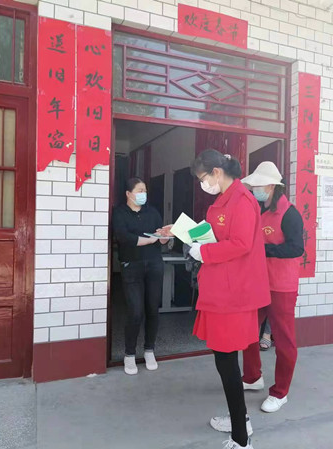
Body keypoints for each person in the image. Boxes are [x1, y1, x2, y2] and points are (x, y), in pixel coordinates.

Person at [159, 150, 270, 449]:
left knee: (226, 360)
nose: (202, 184)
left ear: (217, 172)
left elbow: (241, 244)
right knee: (224, 359)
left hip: (232, 293)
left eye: (203, 178)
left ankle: (241, 438)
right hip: (221, 289)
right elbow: (209, 232)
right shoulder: (224, 199)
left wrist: (204, 252)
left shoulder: (242, 200)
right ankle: (240, 419)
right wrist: (179, 232)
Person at [240, 161, 305, 413]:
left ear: (271, 186)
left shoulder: (290, 214)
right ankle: (252, 377)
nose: (255, 189)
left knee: (284, 339)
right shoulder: (258, 210)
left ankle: (280, 392)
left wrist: (265, 250)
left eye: (258, 185)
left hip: (281, 286)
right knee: (247, 331)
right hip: (258, 283)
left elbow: (296, 248)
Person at [112, 177, 168, 376]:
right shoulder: (119, 213)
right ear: (128, 194)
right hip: (131, 266)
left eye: (145, 190)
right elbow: (124, 238)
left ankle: (149, 350)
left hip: (154, 265)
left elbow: (161, 241)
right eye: (139, 190)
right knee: (135, 311)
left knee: (153, 309)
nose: (143, 194)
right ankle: (129, 354)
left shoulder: (152, 212)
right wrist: (150, 239)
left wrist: (164, 235)